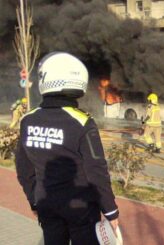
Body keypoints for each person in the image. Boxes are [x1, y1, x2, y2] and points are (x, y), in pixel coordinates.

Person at [15, 52, 119, 245]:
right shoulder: (82, 122)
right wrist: (111, 211)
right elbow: (96, 171)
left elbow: (24, 170)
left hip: (46, 205)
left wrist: (34, 200)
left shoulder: (28, 120)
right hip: (81, 209)